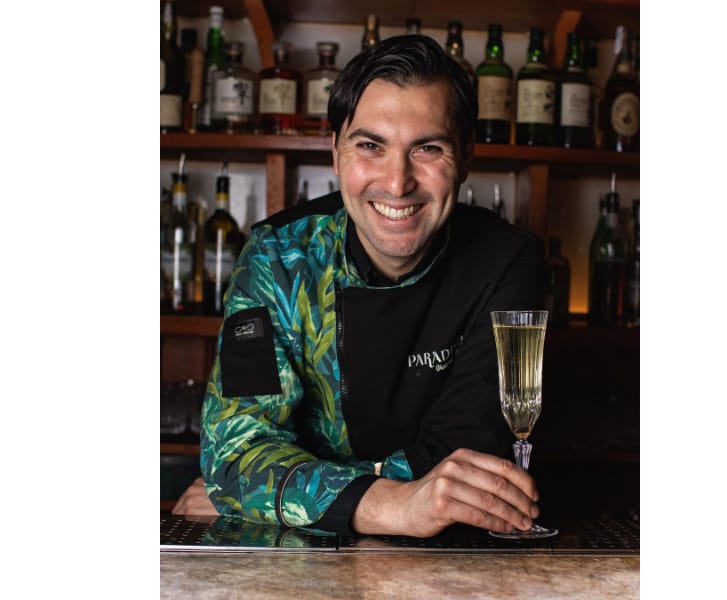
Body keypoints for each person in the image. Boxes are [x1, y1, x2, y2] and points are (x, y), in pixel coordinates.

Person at [173, 34, 546, 538]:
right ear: (335, 152)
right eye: (371, 146)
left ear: (466, 156)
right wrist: (392, 504)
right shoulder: (277, 258)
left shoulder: (508, 262)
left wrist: (273, 497)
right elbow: (239, 452)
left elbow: (469, 464)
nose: (397, 183)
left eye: (427, 149)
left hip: (457, 564)